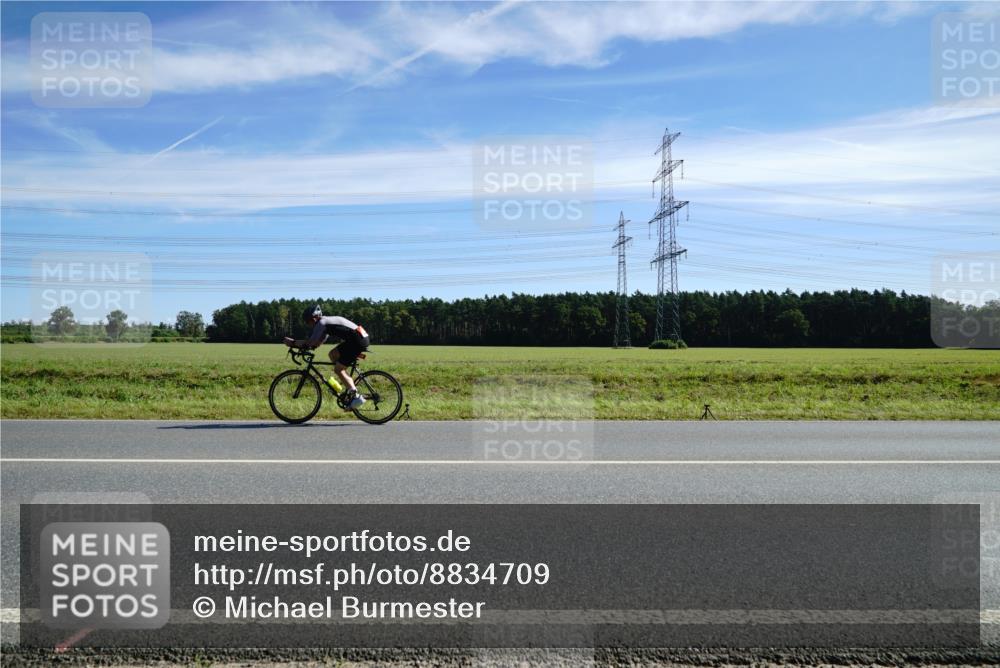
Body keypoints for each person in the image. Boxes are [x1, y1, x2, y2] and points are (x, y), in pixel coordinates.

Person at [284, 305, 369, 409]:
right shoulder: (325, 323)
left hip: (357, 340)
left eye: (307, 321)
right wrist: (304, 347)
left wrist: (293, 343)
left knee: (338, 369)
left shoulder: (321, 323)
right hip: (358, 338)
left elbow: (311, 342)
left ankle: (355, 396)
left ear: (314, 318)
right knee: (333, 355)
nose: (308, 324)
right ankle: (347, 386)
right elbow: (316, 343)